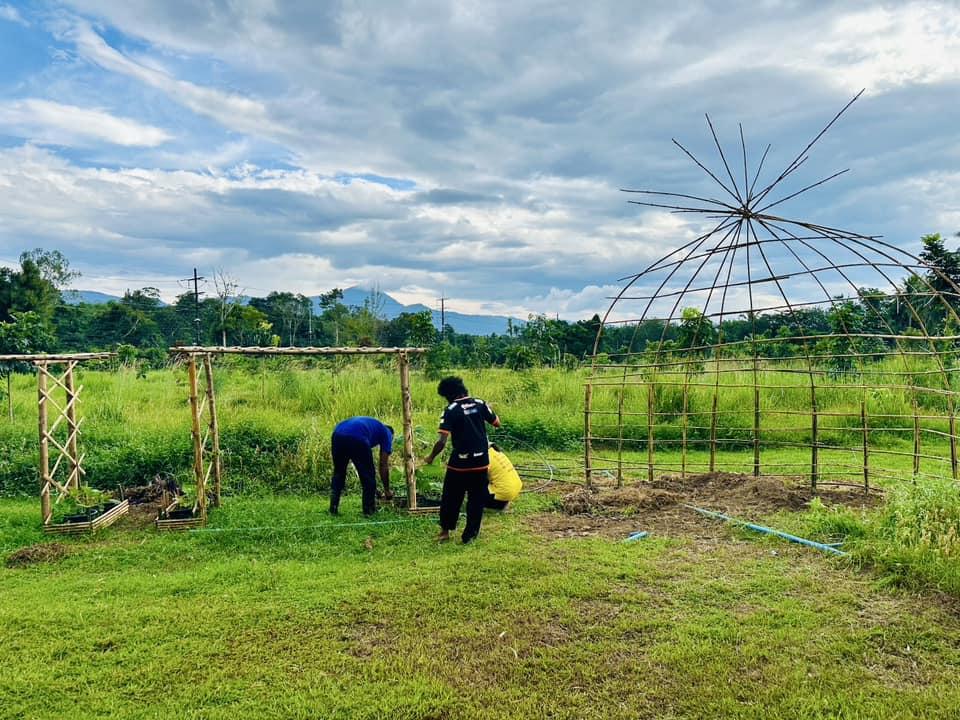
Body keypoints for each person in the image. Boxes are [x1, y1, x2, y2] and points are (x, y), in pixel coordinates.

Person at [424, 376, 500, 543]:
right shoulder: (481, 404)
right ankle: (470, 536)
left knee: (451, 497)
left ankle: (445, 532)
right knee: (476, 499)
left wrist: (430, 457)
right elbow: (496, 423)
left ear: (448, 395)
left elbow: (441, 441)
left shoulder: (450, 410)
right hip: (481, 463)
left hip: (459, 464)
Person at [329, 416, 394, 516]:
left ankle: (333, 508)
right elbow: (383, 464)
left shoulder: (374, 426)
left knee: (339, 473)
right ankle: (369, 511)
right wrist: (387, 490)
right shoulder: (388, 433)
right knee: (368, 477)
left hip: (337, 434)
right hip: (357, 437)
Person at [486, 443, 522, 510]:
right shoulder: (495, 451)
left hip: (505, 492)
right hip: (514, 488)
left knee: (474, 488)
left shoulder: (485, 457)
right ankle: (502, 503)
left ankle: (499, 504)